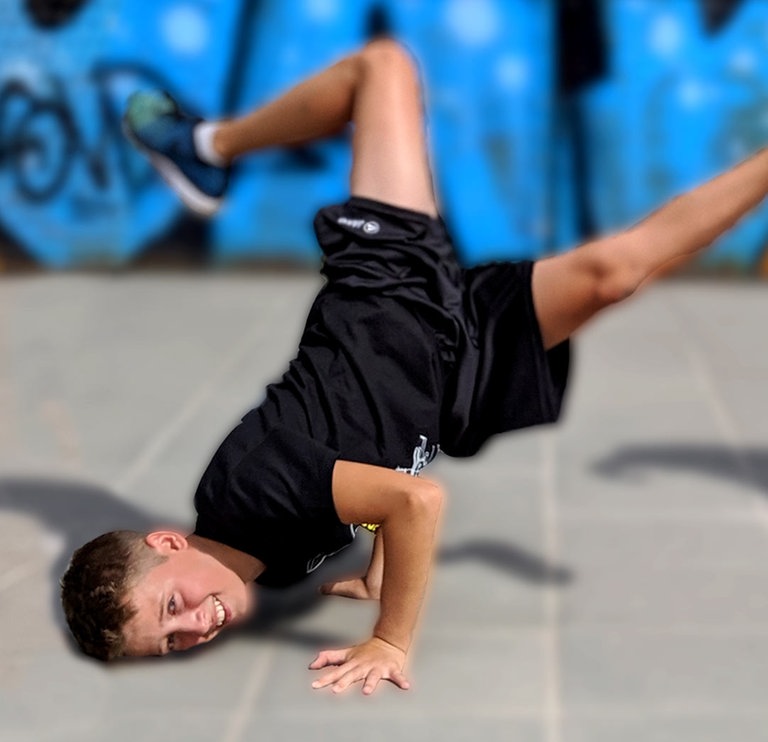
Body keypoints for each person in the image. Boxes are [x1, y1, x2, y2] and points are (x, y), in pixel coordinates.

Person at [62, 39, 768, 694]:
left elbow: (415, 503)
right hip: (458, 362)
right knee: (616, 272)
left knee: (384, 65)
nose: (196, 624)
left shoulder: (247, 491)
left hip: (390, 292)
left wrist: (389, 638)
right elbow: (367, 469)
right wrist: (379, 568)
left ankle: (206, 145)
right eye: (175, 641)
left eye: (171, 605)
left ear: (165, 543)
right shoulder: (265, 562)